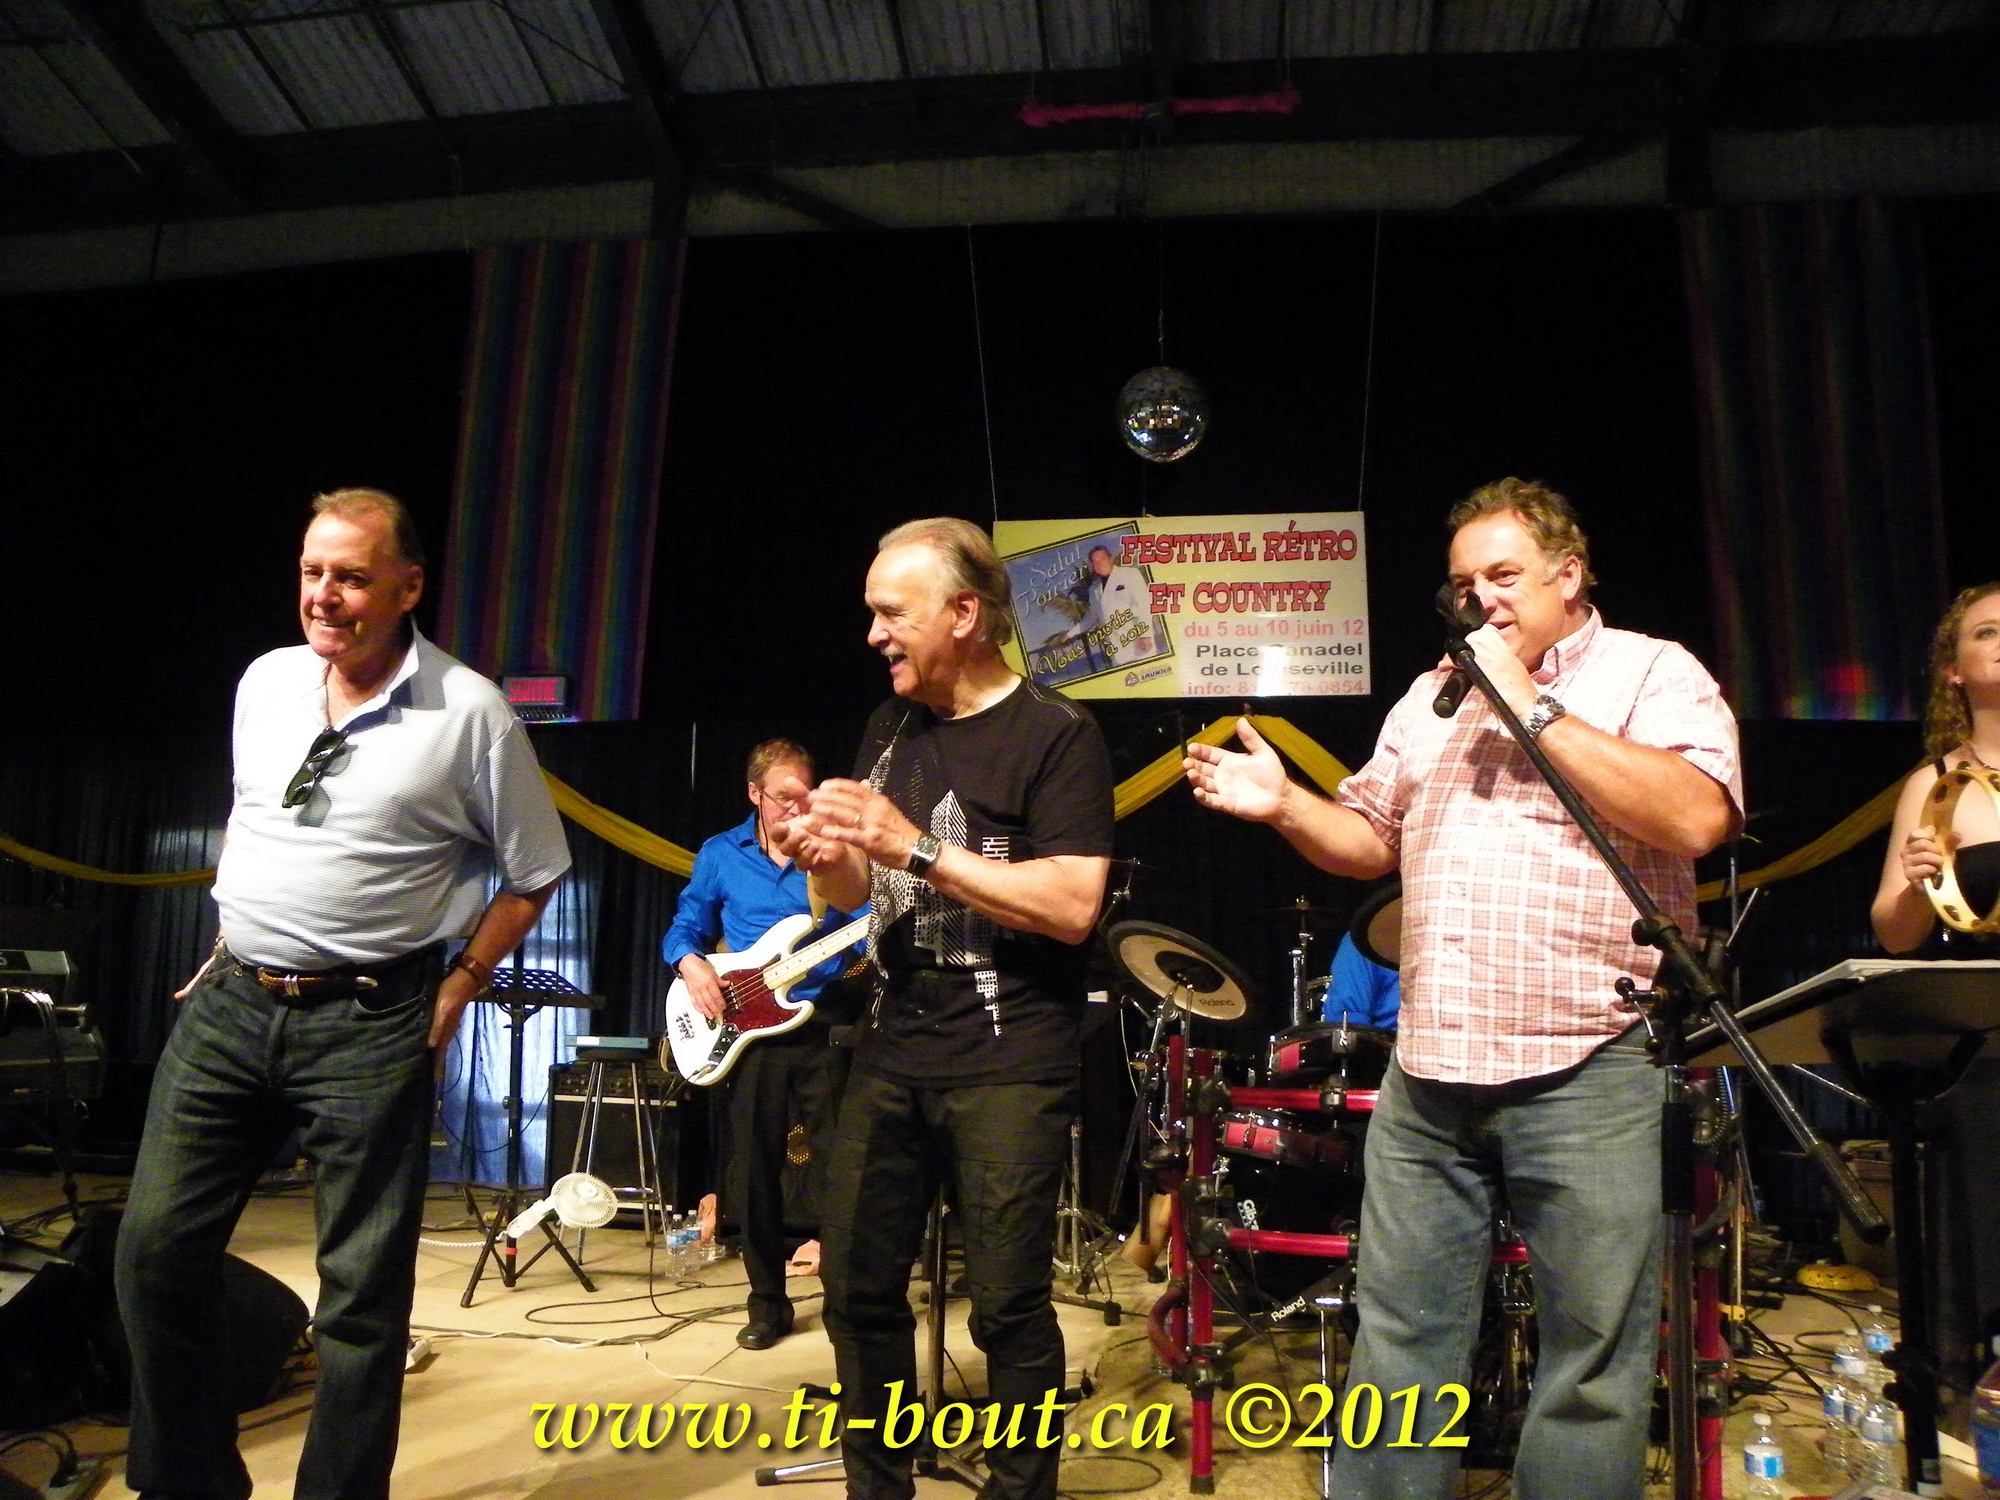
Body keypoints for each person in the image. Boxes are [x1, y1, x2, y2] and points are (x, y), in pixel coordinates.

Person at [1185, 478, 1740, 1500]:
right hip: (1429, 1072)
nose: (1479, 598)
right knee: (1396, 1338)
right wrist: (1285, 806)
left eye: (1503, 575)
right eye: (1463, 582)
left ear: (1569, 576)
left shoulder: (1651, 672)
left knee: (1591, 1359)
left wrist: (1527, 700)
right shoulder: (1429, 694)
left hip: (1586, 1066)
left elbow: (1696, 817)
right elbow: (1367, 841)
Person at [115, 488, 570, 1500]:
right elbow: (261, 826)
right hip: (232, 1005)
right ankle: (189, 1481)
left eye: (352, 577)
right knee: (151, 1252)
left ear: (408, 588)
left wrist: (461, 982)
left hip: (371, 1020)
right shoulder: (266, 681)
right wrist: (242, 929)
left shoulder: (470, 712)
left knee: (360, 1298)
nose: (325, 595)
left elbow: (537, 871)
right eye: (312, 572)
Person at [780, 516, 1114, 1500]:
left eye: (892, 612)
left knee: (1006, 1309)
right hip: (890, 1049)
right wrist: (829, 858)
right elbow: (853, 891)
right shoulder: (889, 725)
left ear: (964, 613)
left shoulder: (1057, 733)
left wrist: (915, 848)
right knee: (855, 1294)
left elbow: (1072, 905)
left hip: (1009, 1060)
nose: (873, 634)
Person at [661, 738, 859, 1349]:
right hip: (748, 1030)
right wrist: (691, 964)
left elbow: (860, 924)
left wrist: (863, 937)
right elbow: (685, 926)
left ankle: (847, 1306)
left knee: (840, 1170)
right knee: (753, 1171)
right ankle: (767, 1304)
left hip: (824, 1023)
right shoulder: (721, 853)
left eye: (804, 796)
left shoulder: (832, 854)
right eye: (781, 797)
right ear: (754, 793)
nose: (795, 808)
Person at [1871, 581, 2000, 957]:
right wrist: (1919, 890)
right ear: (1953, 670)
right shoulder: (1935, 784)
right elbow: (1895, 938)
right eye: (1987, 632)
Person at [1078, 545, 1159, 669]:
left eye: (1102, 559)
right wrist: (1068, 635)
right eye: (1095, 561)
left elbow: (1142, 604)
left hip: (1140, 644)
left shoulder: (1130, 574)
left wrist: (1145, 635)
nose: (1099, 563)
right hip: (1117, 653)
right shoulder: (1094, 588)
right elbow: (1092, 616)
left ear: (1110, 559)